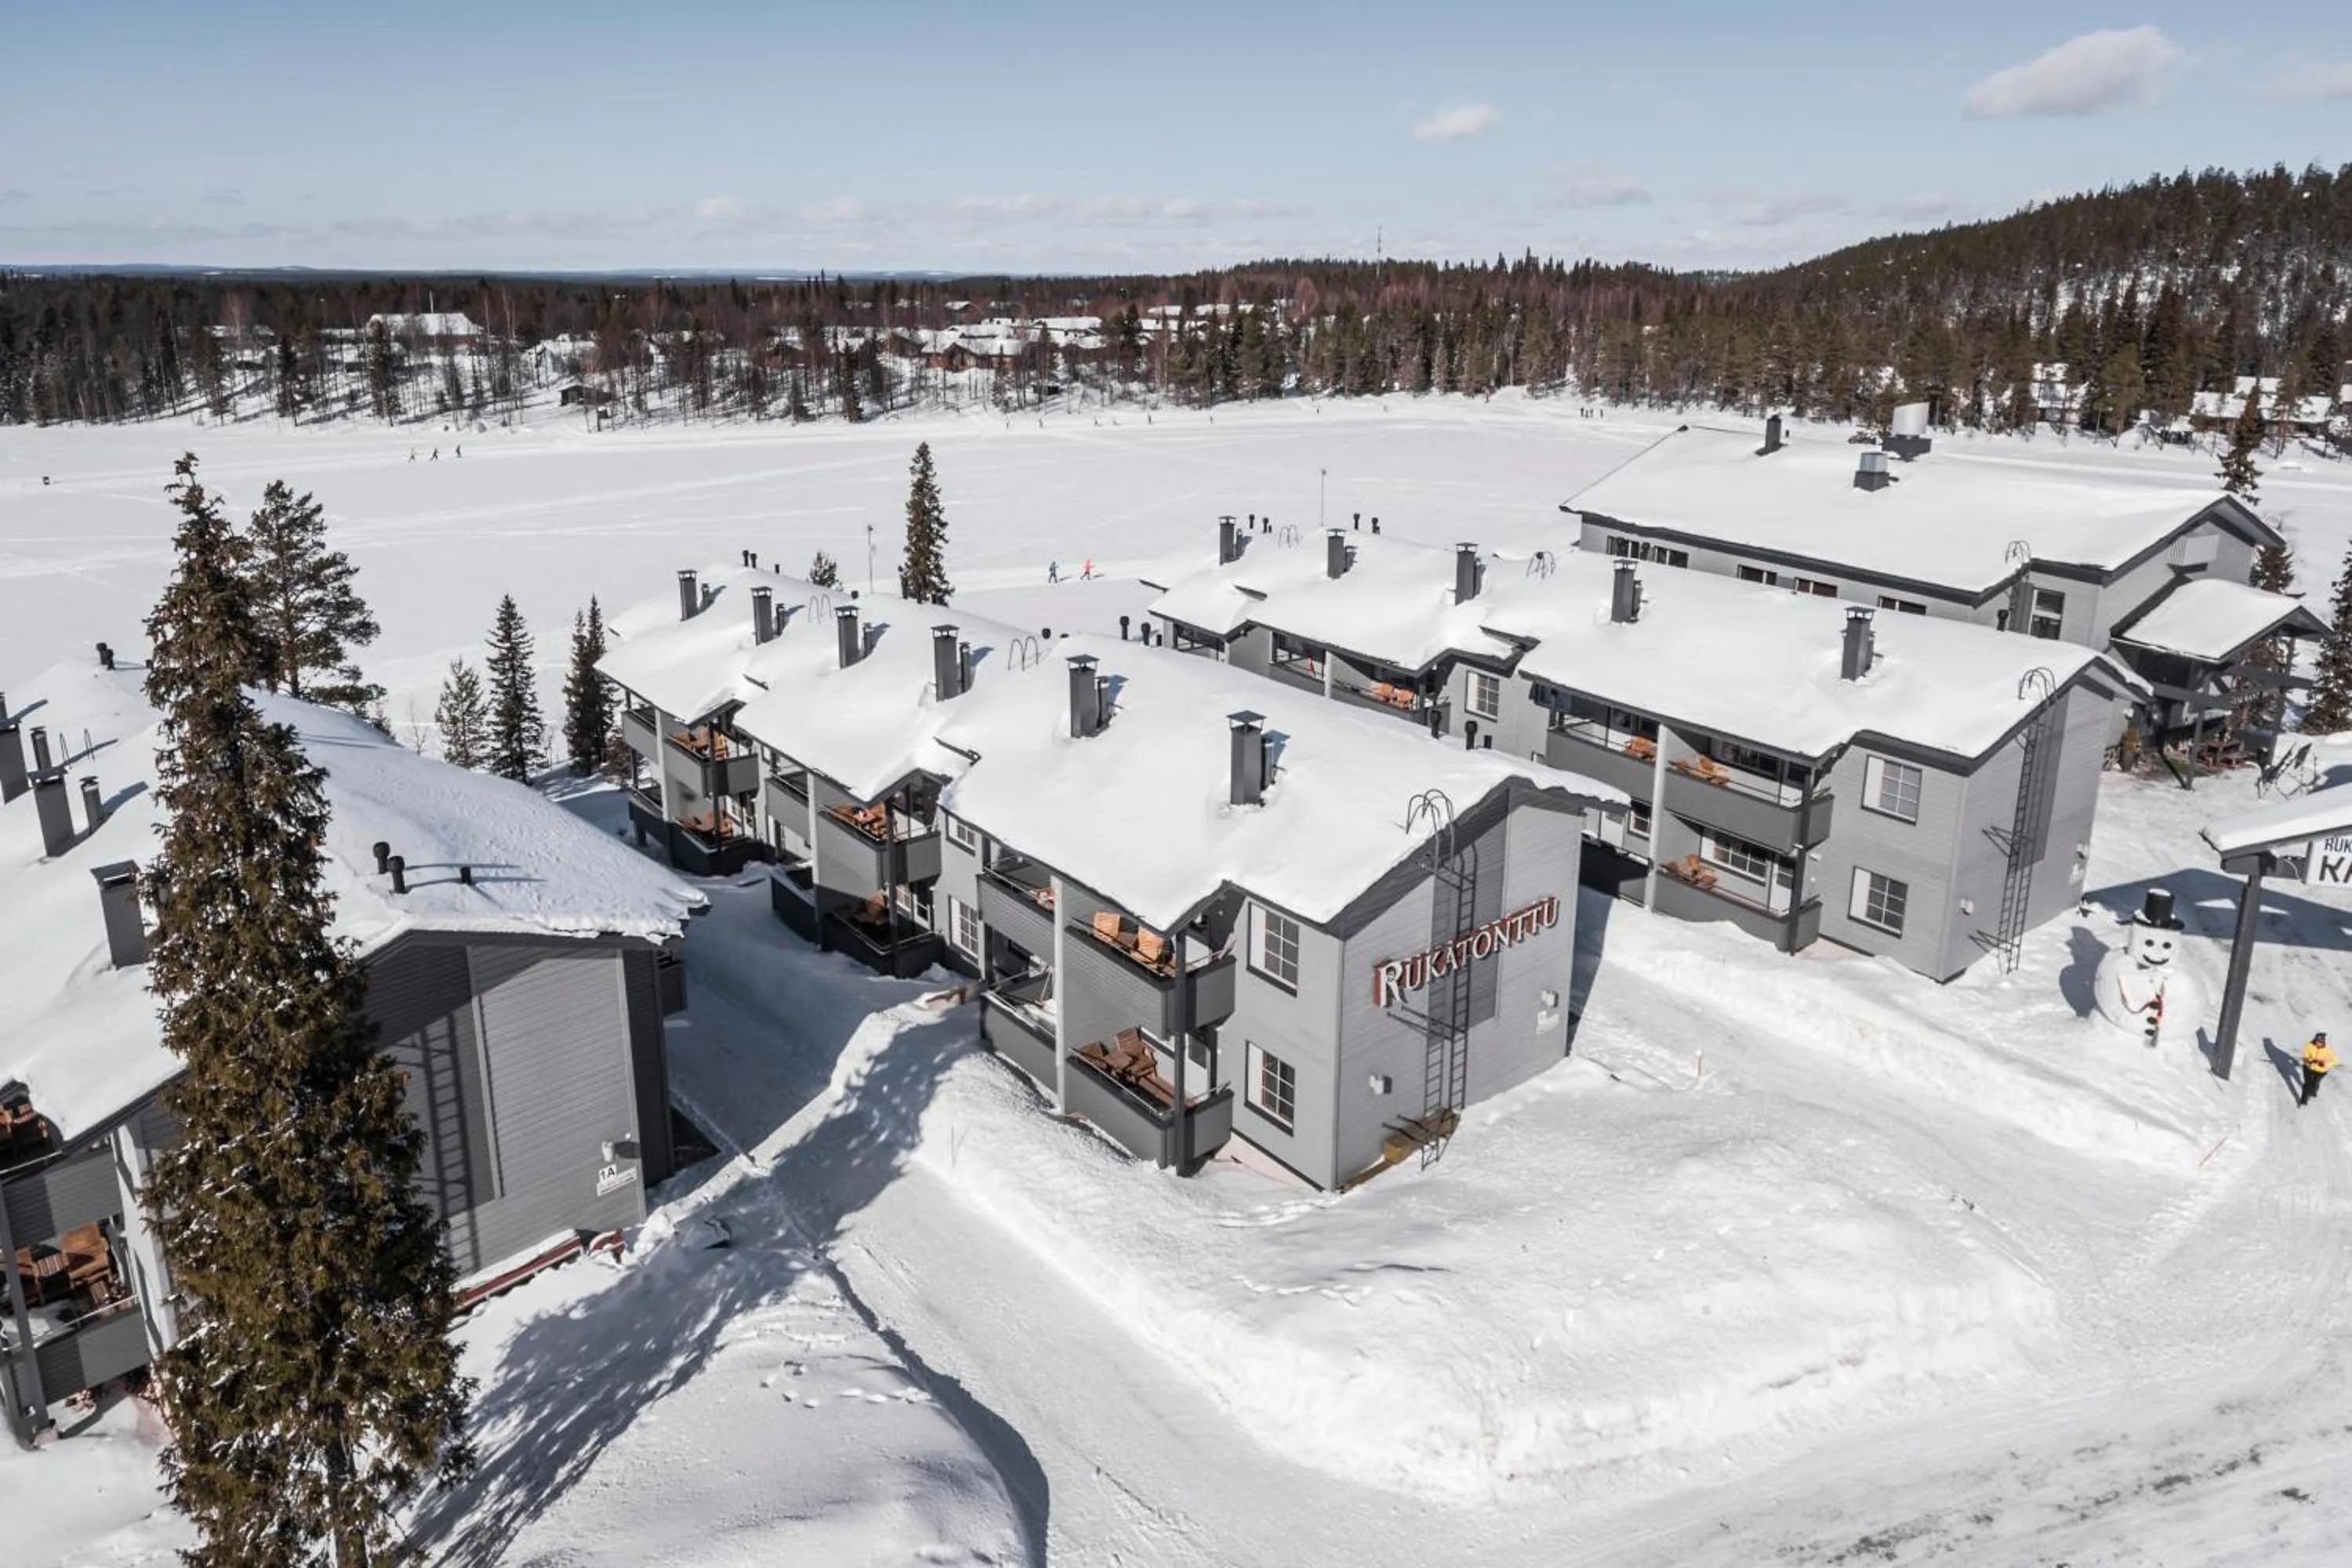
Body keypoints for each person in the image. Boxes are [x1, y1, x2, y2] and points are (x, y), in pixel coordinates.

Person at [2302, 1032, 2336, 1107]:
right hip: (2309, 1068)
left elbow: (2334, 1060)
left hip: (2321, 1071)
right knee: (2307, 1084)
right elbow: (2305, 1057)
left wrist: (2325, 1064)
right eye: (2317, 1041)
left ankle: (2313, 1091)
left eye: (2320, 1042)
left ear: (2323, 1042)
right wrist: (2311, 1060)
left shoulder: (2328, 1049)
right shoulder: (2309, 1046)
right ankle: (2303, 1101)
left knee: (2315, 1084)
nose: (2318, 1043)